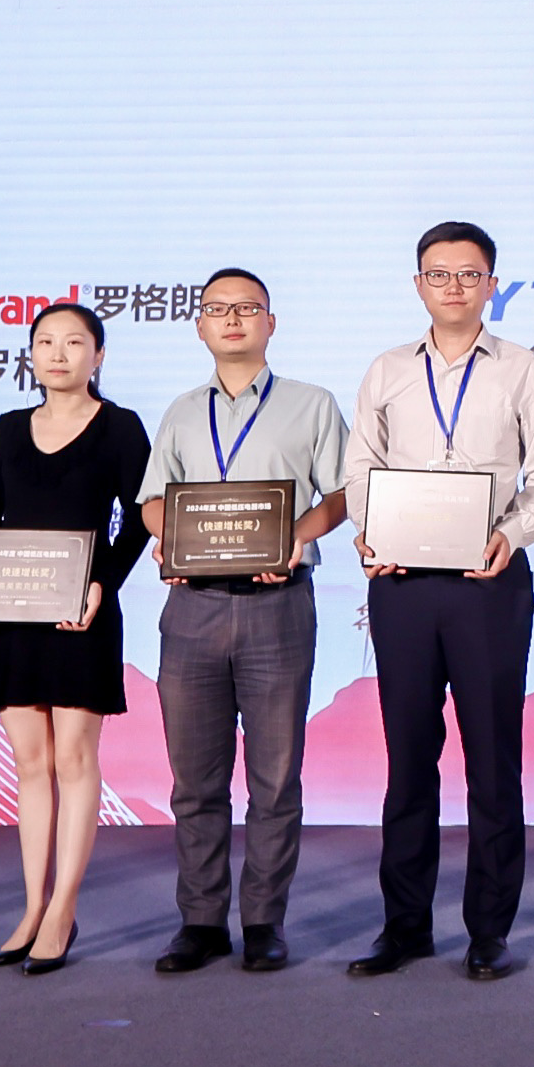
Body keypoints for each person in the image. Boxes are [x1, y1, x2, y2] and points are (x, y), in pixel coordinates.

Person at [346, 220, 534, 980]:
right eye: (439, 274)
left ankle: (489, 931)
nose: (454, 286)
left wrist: (513, 533)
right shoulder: (387, 370)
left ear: (492, 285)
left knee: (492, 760)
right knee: (409, 759)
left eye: (469, 274)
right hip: (403, 585)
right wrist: (371, 530)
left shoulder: (521, 369)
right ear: (418, 285)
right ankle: (405, 926)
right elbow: (360, 468)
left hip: (488, 581)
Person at [139, 267, 347, 977]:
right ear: (199, 325)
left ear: (271, 323)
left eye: (247, 308)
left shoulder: (312, 404)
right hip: (192, 608)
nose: (232, 319)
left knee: (275, 779)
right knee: (194, 781)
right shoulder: (179, 412)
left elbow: (342, 494)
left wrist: (295, 537)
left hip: (277, 606)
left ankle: (263, 921)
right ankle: (200, 921)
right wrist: (169, 538)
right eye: (217, 309)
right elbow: (153, 501)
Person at [0, 301, 152, 975]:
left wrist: (102, 585)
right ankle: (31, 907)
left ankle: (63, 909)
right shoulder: (9, 427)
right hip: (10, 612)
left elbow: (140, 520)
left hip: (79, 613)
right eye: (45, 342)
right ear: (30, 354)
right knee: (30, 764)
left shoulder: (120, 427)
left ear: (99, 356)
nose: (58, 354)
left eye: (74, 342)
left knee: (73, 758)